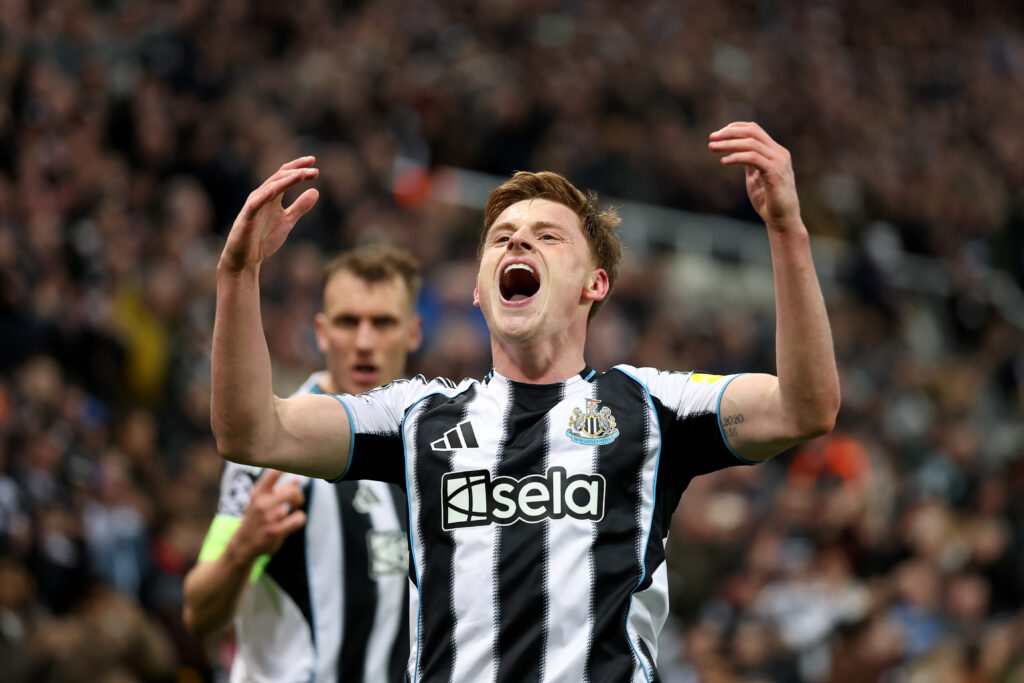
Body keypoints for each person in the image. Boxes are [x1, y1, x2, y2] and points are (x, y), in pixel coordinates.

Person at [210, 121, 840, 682]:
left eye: (547, 236)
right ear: (481, 292)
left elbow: (805, 407)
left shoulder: (653, 406)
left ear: (595, 284)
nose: (517, 244)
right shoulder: (417, 417)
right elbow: (252, 432)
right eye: (502, 237)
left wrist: (786, 230)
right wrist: (239, 277)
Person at [184, 244, 423, 682]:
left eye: (383, 322)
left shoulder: (431, 451)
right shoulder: (275, 448)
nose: (364, 342)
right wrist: (243, 548)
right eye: (348, 322)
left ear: (413, 332)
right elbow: (200, 616)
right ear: (321, 331)